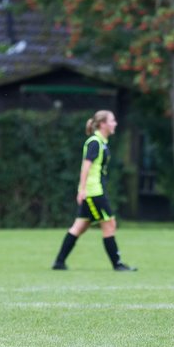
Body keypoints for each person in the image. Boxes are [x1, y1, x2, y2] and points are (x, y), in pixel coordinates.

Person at [51, 110, 136, 273]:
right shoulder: (95, 142)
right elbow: (86, 166)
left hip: (93, 191)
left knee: (80, 226)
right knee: (110, 224)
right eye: (112, 121)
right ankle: (117, 264)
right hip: (93, 192)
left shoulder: (101, 142)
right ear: (103, 124)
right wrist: (82, 189)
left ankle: (59, 262)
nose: (115, 123)